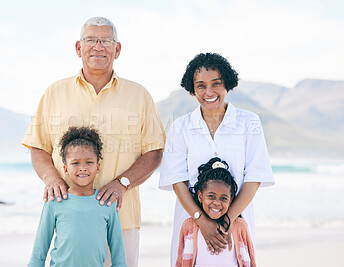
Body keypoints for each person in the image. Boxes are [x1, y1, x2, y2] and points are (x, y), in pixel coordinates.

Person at [22, 17, 165, 267]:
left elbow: (154, 152)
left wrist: (123, 183)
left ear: (117, 49)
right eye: (90, 40)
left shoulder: (139, 95)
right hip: (69, 220)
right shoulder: (55, 92)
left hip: (122, 218)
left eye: (106, 41)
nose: (98, 47)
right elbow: (38, 146)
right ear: (79, 48)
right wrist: (51, 178)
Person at [159, 52, 274, 266]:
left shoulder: (249, 122)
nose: (209, 92)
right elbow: (177, 181)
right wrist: (202, 221)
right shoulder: (180, 127)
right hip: (191, 225)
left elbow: (254, 177)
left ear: (227, 84)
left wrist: (227, 221)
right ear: (192, 88)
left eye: (216, 83)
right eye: (200, 85)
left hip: (236, 225)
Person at [28, 126, 127, 266]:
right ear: (65, 168)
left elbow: (119, 256)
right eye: (75, 163)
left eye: (89, 162)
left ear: (98, 167)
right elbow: (39, 250)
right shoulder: (55, 202)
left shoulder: (107, 203)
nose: (82, 168)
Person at [175, 157, 256, 267]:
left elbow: (250, 260)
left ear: (231, 200)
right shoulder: (188, 226)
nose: (217, 203)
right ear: (200, 196)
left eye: (223, 198)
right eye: (211, 196)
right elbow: (181, 261)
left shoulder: (241, 227)